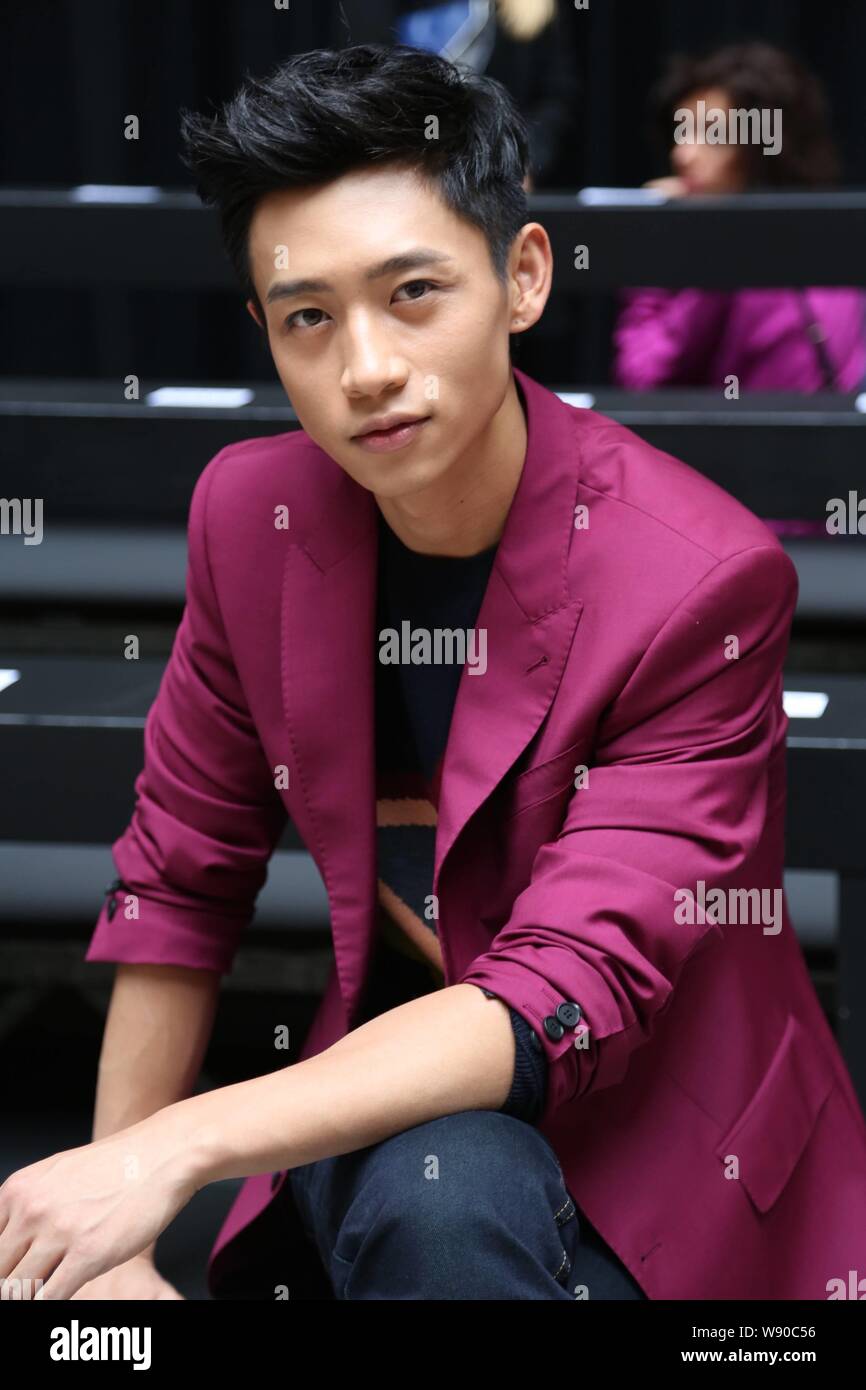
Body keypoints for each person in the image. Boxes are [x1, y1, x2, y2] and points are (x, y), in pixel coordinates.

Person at [2, 42, 866, 1303]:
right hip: (407, 1109)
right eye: (308, 316)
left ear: (522, 278)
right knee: (436, 1189)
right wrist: (111, 1232)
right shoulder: (253, 515)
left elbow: (562, 985)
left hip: (671, 1146)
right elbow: (182, 875)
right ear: (263, 330)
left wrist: (167, 1148)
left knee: (446, 1201)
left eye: (412, 292)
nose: (363, 368)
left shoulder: (697, 579)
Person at [612, 42, 866, 394]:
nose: (682, 154)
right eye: (682, 131)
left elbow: (644, 377)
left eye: (713, 134)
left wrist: (663, 243)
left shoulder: (775, 257)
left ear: (762, 149)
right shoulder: (826, 244)